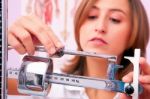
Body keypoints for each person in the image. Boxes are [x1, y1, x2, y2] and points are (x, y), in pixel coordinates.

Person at [8, 0, 150, 99]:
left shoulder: (140, 94)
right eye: (92, 16)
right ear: (79, 26)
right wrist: (5, 42)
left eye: (115, 19)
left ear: (134, 33)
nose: (100, 27)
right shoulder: (50, 85)